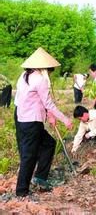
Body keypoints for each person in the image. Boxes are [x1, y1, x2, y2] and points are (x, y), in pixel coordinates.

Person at [14, 47, 73, 197]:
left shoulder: (24, 75)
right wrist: (64, 119)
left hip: (22, 118)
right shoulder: (40, 79)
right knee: (29, 155)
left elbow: (38, 102)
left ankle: (40, 178)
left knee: (48, 143)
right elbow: (48, 103)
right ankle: (21, 191)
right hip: (31, 121)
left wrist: (50, 115)